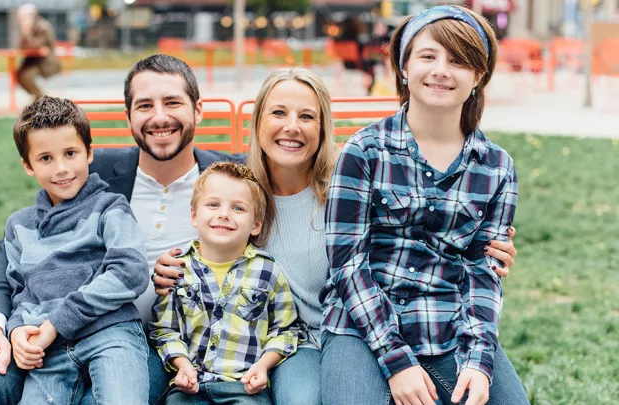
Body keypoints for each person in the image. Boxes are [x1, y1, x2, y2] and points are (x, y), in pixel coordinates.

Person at [153, 67, 519, 405]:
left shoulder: (350, 186)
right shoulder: (237, 195)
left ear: (324, 126)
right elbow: (195, 226)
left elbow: (415, 232)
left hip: (347, 332)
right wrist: (167, 265)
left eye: (307, 116)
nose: (292, 127)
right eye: (278, 113)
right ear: (258, 121)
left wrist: (482, 247)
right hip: (268, 345)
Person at [0, 54, 241, 405]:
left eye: (173, 103)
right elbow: (14, 262)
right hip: (53, 332)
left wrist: (194, 272)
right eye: (145, 105)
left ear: (198, 109)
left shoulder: (233, 179)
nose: (159, 116)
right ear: (128, 116)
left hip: (155, 341)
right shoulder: (83, 169)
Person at [320, 6, 529, 405]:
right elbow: (347, 264)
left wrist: (479, 361)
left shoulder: (497, 167)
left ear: (479, 76)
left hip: (448, 323)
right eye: (428, 56)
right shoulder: (364, 151)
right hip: (362, 326)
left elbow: (483, 273)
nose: (441, 70)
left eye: (459, 61)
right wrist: (397, 361)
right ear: (404, 66)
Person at [4, 96, 150, 404]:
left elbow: (131, 272)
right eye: (45, 158)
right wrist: (16, 330)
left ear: (89, 153)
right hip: (48, 351)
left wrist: (57, 322)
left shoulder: (110, 208)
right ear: (27, 165)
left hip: (111, 334)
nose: (61, 168)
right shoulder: (19, 226)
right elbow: (20, 292)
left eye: (70, 153)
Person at [149, 162, 306, 405]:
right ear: (194, 214)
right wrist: (181, 365)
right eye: (213, 204)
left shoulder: (268, 272)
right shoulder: (177, 269)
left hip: (244, 388)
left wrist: (264, 366)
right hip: (190, 387)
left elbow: (286, 330)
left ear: (256, 224)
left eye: (238, 208)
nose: (224, 214)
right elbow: (164, 330)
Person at [16, 4, 61, 102]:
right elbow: (21, 47)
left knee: (26, 75)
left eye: (21, 17)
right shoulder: (29, 27)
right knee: (19, 73)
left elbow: (35, 45)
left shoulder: (43, 27)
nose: (20, 20)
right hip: (33, 61)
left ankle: (42, 98)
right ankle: (38, 97)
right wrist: (25, 32)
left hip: (45, 62)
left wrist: (27, 32)